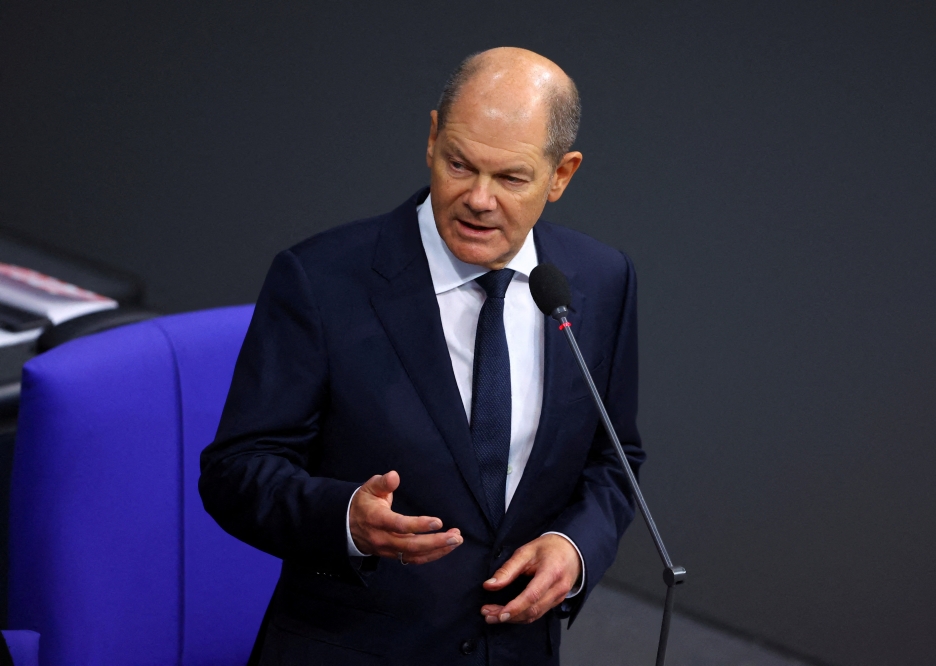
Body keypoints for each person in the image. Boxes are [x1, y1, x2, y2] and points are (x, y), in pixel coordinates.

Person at [199, 47, 645, 666]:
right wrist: (346, 520)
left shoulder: (598, 282)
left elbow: (614, 460)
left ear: (561, 174)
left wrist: (574, 548)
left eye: (511, 178)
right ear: (433, 139)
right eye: (460, 164)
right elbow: (235, 471)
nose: (479, 199)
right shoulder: (322, 280)